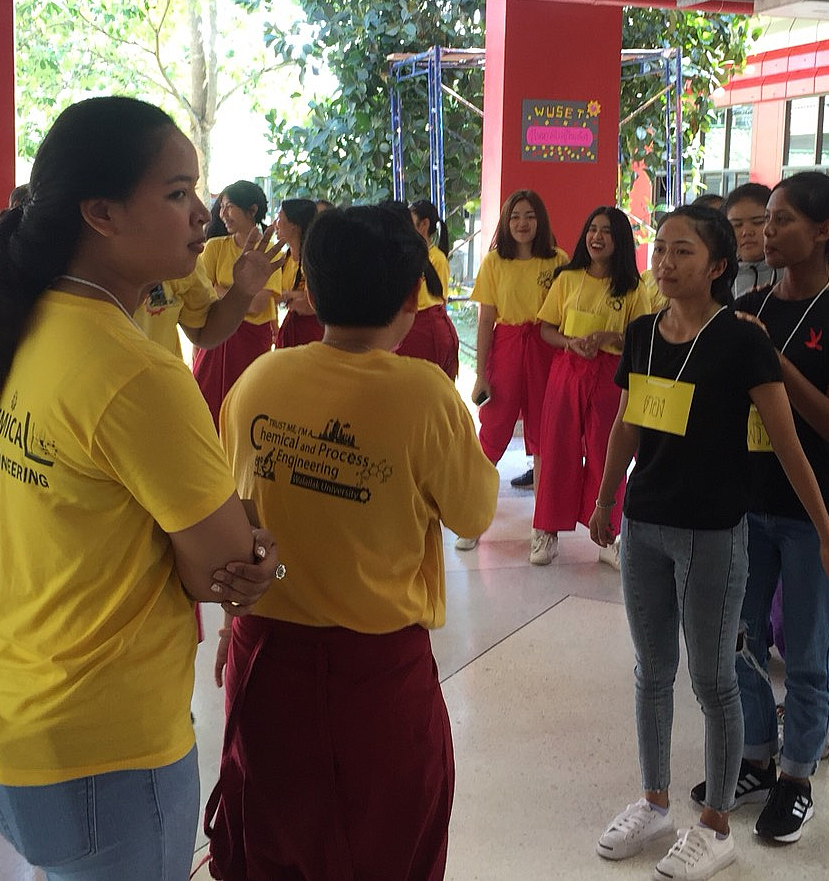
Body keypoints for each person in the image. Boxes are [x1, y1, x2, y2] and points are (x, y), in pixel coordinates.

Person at [0, 97, 282, 881]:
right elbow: (221, 569)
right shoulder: (135, 373)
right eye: (176, 193)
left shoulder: (23, 321)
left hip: (7, 718)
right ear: (100, 213)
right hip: (105, 757)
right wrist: (257, 553)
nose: (202, 214)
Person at [208, 204, 497, 881]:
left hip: (265, 649)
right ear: (412, 296)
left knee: (271, 832)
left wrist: (228, 624)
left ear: (309, 285)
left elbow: (236, 519)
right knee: (388, 838)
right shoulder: (425, 394)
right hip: (379, 668)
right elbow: (473, 514)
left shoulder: (259, 381)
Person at [587, 204, 829, 877]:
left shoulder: (741, 340)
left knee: (713, 678)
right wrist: (605, 498)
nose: (666, 262)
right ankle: (654, 801)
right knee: (652, 670)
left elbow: (788, 443)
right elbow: (627, 423)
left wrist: (828, 537)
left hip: (713, 532)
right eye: (661, 249)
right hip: (644, 524)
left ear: (717, 266)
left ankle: (715, 826)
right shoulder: (643, 332)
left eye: (683, 251)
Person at [729, 172, 829, 844]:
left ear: (823, 231)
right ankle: (756, 758)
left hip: (819, 514)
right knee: (740, 641)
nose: (767, 231)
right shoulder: (750, 304)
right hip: (748, 504)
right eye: (765, 219)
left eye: (782, 219)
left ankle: (796, 780)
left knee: (811, 658)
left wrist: (771, 360)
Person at [533, 206, 655, 568]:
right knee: (558, 450)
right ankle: (546, 531)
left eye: (606, 232)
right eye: (592, 229)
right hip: (568, 370)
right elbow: (546, 329)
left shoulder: (633, 288)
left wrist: (609, 337)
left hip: (610, 375)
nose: (597, 237)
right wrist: (569, 343)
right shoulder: (567, 279)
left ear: (620, 241)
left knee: (607, 452)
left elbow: (642, 338)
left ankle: (608, 535)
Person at [470, 189, 568, 504]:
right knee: (495, 425)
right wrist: (480, 374)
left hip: (546, 348)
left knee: (545, 429)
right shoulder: (494, 262)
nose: (522, 223)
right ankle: (472, 505)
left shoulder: (558, 260)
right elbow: (486, 320)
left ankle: (544, 518)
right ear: (505, 222)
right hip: (507, 347)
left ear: (540, 220)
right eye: (514, 217)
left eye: (529, 216)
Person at [192, 180, 284, 424]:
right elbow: (203, 295)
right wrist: (242, 292)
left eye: (229, 206)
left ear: (252, 210)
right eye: (221, 207)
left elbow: (256, 306)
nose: (222, 214)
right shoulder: (214, 247)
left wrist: (222, 290)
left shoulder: (269, 254)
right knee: (206, 405)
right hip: (217, 336)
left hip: (251, 342)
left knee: (247, 408)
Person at [396, 199, 461, 379]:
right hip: (411, 327)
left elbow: (440, 299)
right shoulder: (406, 254)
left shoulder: (437, 259)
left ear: (424, 224)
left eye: (409, 220)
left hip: (428, 329)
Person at [272, 197, 323, 348]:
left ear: (294, 225)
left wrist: (286, 295)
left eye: (279, 217)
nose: (275, 223)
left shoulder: (314, 259)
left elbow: (310, 302)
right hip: (290, 327)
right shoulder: (283, 259)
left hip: (312, 330)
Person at [723, 182, 779, 297]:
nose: (746, 232)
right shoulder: (720, 276)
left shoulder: (791, 274)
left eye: (757, 222)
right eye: (737, 225)